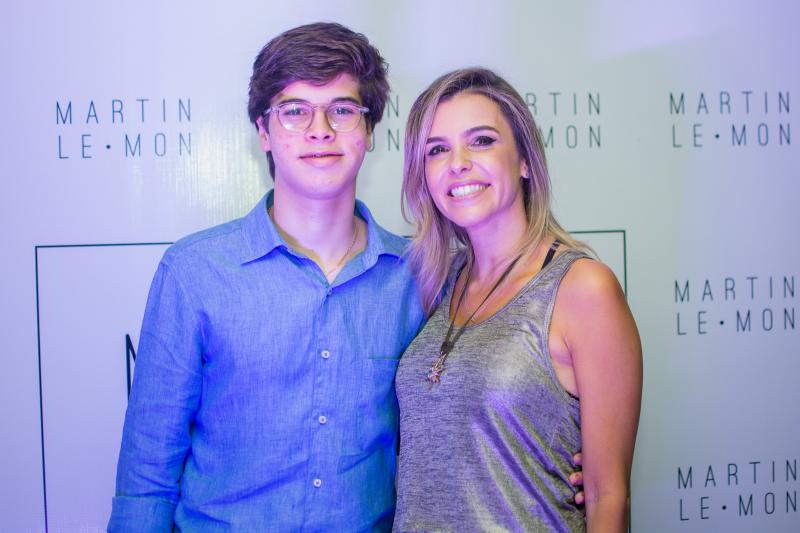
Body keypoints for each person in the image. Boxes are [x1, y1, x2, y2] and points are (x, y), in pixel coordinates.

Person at [108, 22, 427, 531]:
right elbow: (146, 477)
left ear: (369, 131)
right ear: (263, 132)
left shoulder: (419, 277)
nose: (320, 130)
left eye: (342, 110)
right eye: (295, 111)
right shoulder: (194, 272)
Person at [394, 68, 642, 532]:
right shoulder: (437, 283)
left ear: (525, 160)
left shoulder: (582, 289)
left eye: (481, 141)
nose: (458, 163)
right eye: (437, 149)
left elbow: (608, 497)